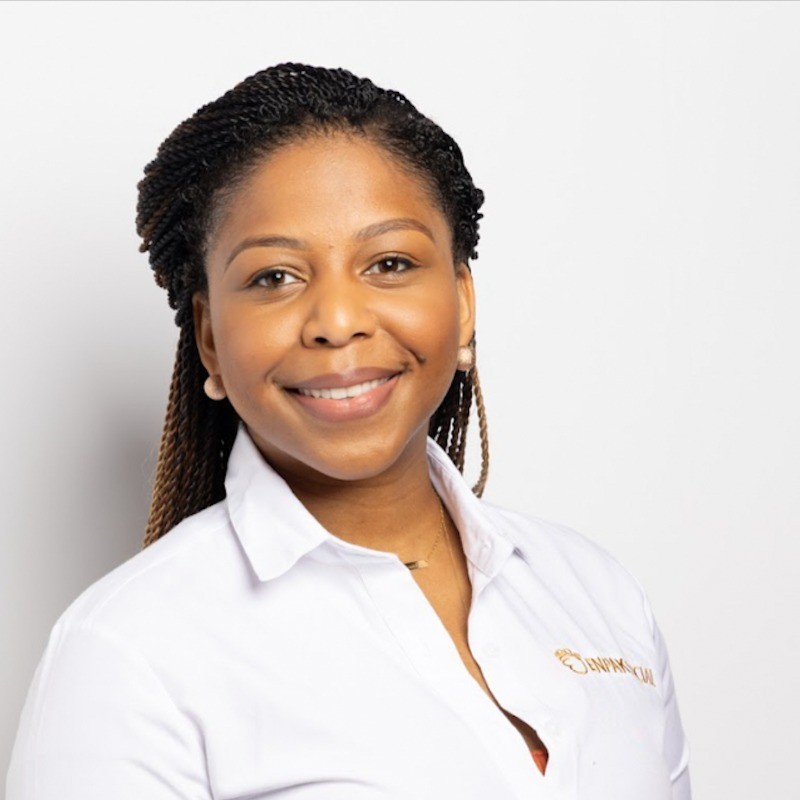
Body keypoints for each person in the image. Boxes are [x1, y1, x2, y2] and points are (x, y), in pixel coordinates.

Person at [6, 63, 690, 800]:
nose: (337, 322)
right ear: (209, 339)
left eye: (389, 263)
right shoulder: (127, 653)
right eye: (274, 277)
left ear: (462, 300)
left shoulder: (598, 592)